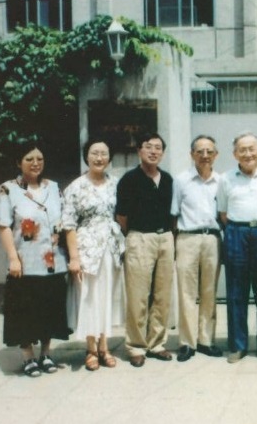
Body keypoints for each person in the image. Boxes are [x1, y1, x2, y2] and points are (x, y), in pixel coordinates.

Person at [0, 141, 70, 377]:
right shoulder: (8, 189)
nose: (35, 163)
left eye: (39, 159)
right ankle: (28, 356)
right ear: (19, 163)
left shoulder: (54, 187)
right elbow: (3, 226)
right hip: (25, 262)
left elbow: (65, 222)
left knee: (49, 308)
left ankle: (46, 354)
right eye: (29, 159)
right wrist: (13, 258)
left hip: (53, 261)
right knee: (24, 310)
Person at [218, 132, 257, 363]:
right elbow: (223, 213)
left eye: (251, 149)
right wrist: (242, 227)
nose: (248, 154)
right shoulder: (226, 179)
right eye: (242, 150)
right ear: (235, 154)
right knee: (237, 292)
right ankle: (237, 346)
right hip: (236, 233)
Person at [64, 138, 126, 371]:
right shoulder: (76, 187)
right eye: (94, 153)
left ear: (109, 158)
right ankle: (90, 349)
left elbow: (122, 215)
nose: (99, 158)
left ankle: (104, 346)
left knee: (106, 296)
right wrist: (74, 258)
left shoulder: (116, 184)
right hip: (86, 249)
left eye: (104, 153)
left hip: (110, 247)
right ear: (86, 156)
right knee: (89, 297)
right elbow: (69, 224)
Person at [115, 133, 175, 367]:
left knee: (162, 295)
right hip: (139, 237)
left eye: (158, 147)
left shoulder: (167, 179)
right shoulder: (129, 180)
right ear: (139, 151)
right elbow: (122, 216)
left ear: (163, 153)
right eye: (148, 147)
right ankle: (136, 346)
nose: (153, 151)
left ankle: (157, 343)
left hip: (165, 238)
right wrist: (134, 236)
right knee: (138, 296)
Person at [171, 135, 223, 362]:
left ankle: (206, 340)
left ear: (216, 155)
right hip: (187, 238)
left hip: (212, 239)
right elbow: (174, 214)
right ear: (192, 154)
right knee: (186, 292)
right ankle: (187, 342)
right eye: (200, 151)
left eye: (209, 151)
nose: (204, 155)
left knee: (209, 291)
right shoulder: (181, 180)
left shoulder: (222, 181)